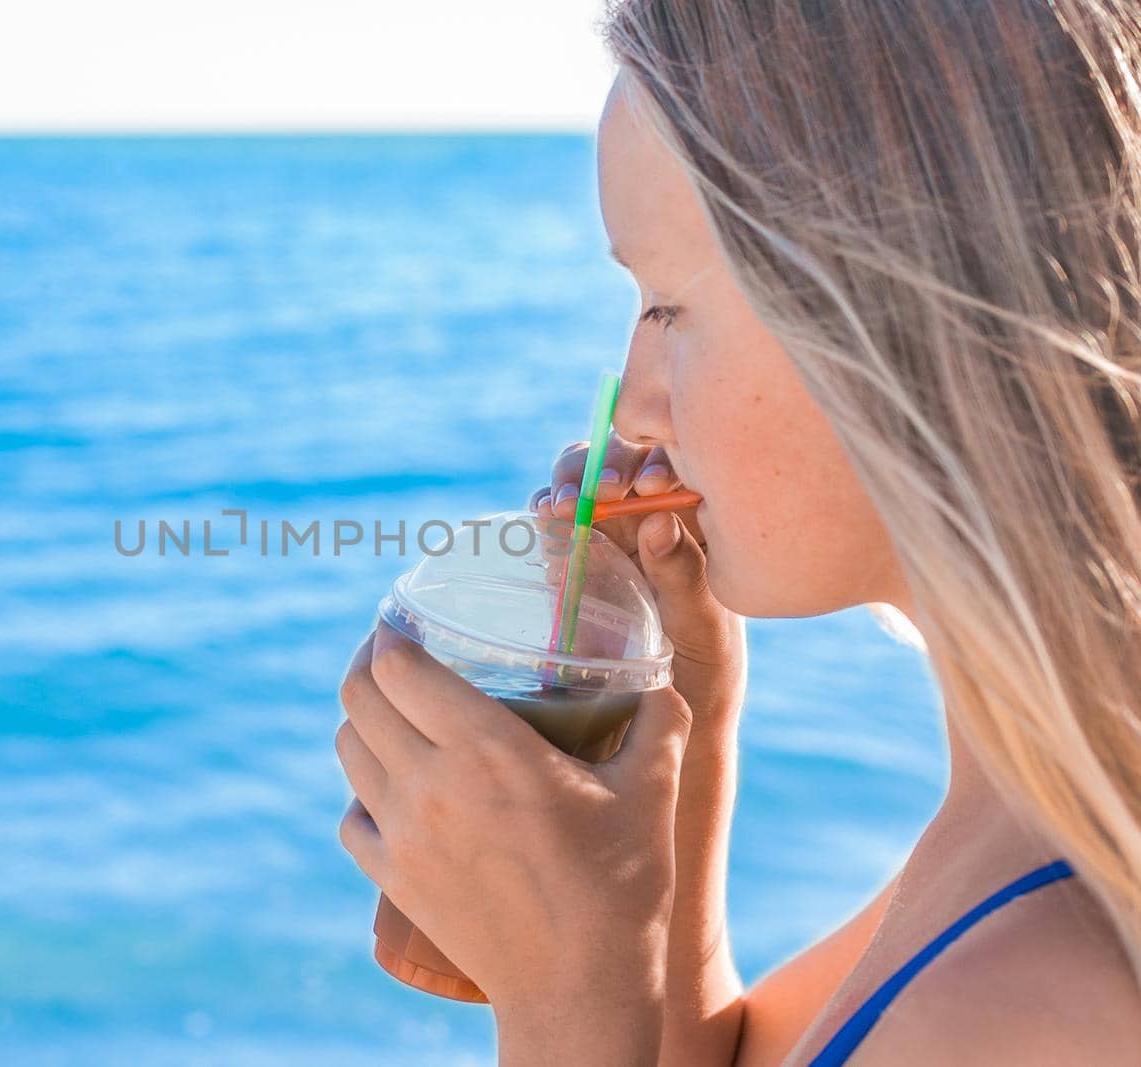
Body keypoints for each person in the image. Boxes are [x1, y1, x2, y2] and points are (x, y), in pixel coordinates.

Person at [334, 1, 1141, 1063]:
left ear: (905, 312)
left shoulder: (1035, 1004)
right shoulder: (1027, 810)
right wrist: (680, 736)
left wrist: (567, 1008)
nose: (631, 407)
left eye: (667, 305)